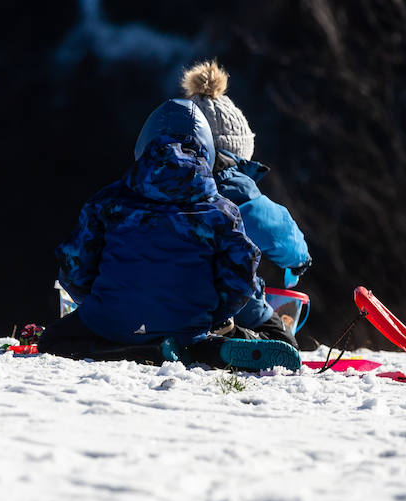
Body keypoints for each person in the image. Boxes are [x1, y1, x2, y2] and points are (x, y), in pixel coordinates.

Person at [38, 98, 302, 372]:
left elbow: (74, 265)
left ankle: (130, 349)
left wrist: (97, 301)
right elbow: (240, 277)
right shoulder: (222, 210)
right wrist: (213, 316)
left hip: (110, 320)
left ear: (143, 145)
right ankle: (210, 349)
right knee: (195, 338)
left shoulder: (107, 201)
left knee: (53, 340)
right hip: (189, 326)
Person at [181, 60, 313, 341]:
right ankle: (240, 339)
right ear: (239, 150)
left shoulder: (161, 180)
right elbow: (280, 232)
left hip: (166, 296)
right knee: (283, 340)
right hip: (230, 301)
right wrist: (298, 261)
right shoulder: (237, 191)